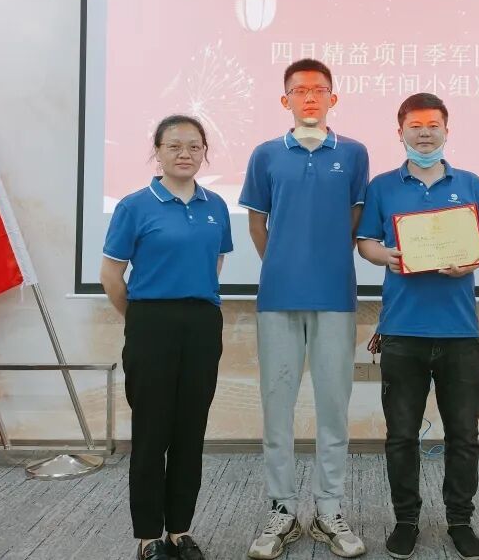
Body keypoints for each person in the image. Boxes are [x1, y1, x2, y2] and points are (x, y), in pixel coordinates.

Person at [357, 93, 479, 560]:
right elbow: (366, 242)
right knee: (401, 435)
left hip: (460, 332)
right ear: (400, 132)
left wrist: (472, 260)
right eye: (414, 125)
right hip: (402, 330)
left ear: (446, 130)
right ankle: (406, 520)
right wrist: (386, 256)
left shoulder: (470, 184)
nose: (424, 133)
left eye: (433, 124)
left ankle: (460, 520)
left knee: (464, 436)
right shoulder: (382, 186)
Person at [240, 59, 369, 560]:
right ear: (285, 100)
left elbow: (354, 219)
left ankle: (329, 508)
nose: (309, 97)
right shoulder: (266, 154)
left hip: (335, 296)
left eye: (319, 90)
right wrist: (283, 264)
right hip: (278, 299)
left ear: (333, 98)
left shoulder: (353, 153)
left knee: (333, 406)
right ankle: (282, 509)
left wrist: (322, 261)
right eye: (299, 90)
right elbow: (258, 223)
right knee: (277, 406)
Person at [100, 114, 233, 560]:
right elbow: (111, 275)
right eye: (174, 146)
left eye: (194, 146)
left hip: (202, 324)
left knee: (190, 431)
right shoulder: (135, 206)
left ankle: (179, 530)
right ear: (157, 152)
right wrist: (140, 319)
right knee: (152, 432)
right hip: (150, 324)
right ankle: (148, 537)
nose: (185, 154)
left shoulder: (216, 205)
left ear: (204, 152)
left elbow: (214, 264)